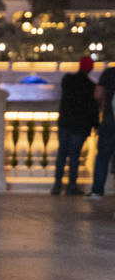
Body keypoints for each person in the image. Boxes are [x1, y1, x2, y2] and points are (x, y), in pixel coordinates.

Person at [53, 56, 99, 195]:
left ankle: (57, 185)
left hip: (65, 123)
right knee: (74, 156)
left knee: (61, 154)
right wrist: (96, 125)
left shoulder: (67, 80)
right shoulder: (91, 86)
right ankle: (72, 186)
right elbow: (93, 108)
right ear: (90, 69)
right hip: (80, 126)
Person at [87, 64, 115, 197]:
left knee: (102, 157)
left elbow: (97, 94)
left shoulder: (109, 72)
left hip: (109, 120)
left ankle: (97, 191)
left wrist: (104, 104)